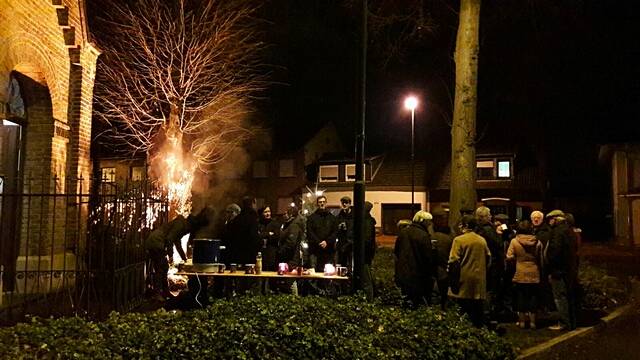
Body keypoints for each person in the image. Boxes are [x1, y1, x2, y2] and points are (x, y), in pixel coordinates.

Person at [145, 214, 204, 299]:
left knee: (164, 267)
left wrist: (184, 259)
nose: (188, 232)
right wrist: (171, 256)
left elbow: (177, 244)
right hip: (156, 242)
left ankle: (165, 292)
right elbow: (170, 239)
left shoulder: (181, 226)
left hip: (157, 242)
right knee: (160, 268)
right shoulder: (180, 225)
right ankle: (157, 294)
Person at [448, 215, 491, 328]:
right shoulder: (482, 240)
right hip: (479, 278)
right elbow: (488, 257)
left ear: (465, 226)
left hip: (464, 277)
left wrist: (452, 279)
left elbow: (454, 260)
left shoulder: (459, 240)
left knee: (463, 308)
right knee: (477, 309)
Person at [545, 209, 579, 331]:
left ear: (556, 219)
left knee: (559, 297)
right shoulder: (569, 230)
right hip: (569, 269)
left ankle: (564, 322)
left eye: (550, 219)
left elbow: (554, 251)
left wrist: (549, 264)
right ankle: (571, 322)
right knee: (568, 296)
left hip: (559, 270)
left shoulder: (557, 232)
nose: (549, 222)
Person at [394, 210, 435, 307]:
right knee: (418, 301)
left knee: (406, 299)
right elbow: (427, 257)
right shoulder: (423, 235)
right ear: (422, 221)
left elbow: (397, 251)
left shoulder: (403, 232)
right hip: (418, 273)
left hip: (403, 272)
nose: (430, 224)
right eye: (428, 221)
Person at [506, 220, 543, 329]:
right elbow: (541, 257)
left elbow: (509, 256)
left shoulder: (514, 241)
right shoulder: (537, 242)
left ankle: (522, 322)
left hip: (520, 271)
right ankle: (533, 322)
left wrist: (515, 259)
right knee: (533, 297)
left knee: (521, 296)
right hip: (534, 272)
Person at [475, 206, 504, 320]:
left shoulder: (477, 228)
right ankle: (488, 313)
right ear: (485, 217)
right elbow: (498, 244)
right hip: (491, 265)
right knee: (490, 290)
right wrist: (499, 236)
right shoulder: (488, 229)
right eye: (489, 215)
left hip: (481, 263)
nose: (491, 216)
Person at [307, 195, 338, 272]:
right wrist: (319, 242)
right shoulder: (311, 218)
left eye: (323, 202)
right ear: (317, 204)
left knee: (327, 272)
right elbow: (310, 232)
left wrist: (327, 242)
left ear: (326, 203)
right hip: (315, 250)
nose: (322, 203)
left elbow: (335, 232)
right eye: (320, 202)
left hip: (328, 250)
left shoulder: (332, 218)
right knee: (315, 272)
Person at [431, 208, 453, 309]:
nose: (445, 220)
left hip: (443, 269)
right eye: (443, 218)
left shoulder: (448, 232)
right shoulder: (431, 233)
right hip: (438, 269)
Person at [362, 201, 378, 300]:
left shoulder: (366, 221)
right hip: (367, 253)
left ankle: (370, 297)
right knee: (367, 274)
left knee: (366, 275)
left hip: (365, 254)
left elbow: (367, 240)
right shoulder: (368, 220)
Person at [258, 205, 281, 271]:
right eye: (265, 212)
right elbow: (257, 236)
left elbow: (276, 237)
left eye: (269, 211)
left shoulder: (275, 224)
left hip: (272, 254)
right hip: (260, 254)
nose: (268, 214)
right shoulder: (258, 224)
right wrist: (268, 234)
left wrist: (263, 235)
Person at [335, 196, 354, 269]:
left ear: (349, 204)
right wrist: (339, 227)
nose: (344, 204)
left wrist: (347, 227)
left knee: (351, 265)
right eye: (343, 203)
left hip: (351, 245)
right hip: (342, 245)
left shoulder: (354, 216)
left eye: (346, 203)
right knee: (342, 265)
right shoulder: (339, 217)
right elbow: (335, 230)